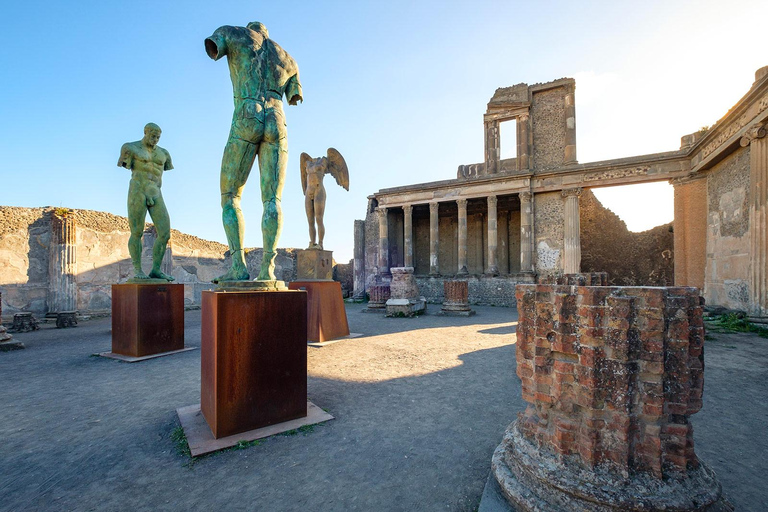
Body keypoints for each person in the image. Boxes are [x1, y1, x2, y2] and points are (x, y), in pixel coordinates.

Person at [205, 21, 303, 282]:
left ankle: (238, 266)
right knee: (273, 200)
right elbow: (294, 97)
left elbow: (213, 48)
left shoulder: (234, 33)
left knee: (230, 196)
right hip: (277, 120)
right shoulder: (289, 59)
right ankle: (267, 269)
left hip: (247, 114)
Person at [117, 123, 175, 281]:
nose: (155, 139)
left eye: (158, 137)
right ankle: (137, 270)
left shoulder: (164, 153)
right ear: (145, 132)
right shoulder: (130, 148)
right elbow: (125, 164)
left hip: (156, 192)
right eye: (153, 136)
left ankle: (156, 270)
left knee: (164, 233)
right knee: (136, 232)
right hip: (138, 191)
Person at [300, 148, 349, 250]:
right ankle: (312, 243)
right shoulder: (307, 161)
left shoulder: (324, 161)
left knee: (319, 218)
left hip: (319, 190)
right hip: (309, 191)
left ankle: (320, 243)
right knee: (310, 221)